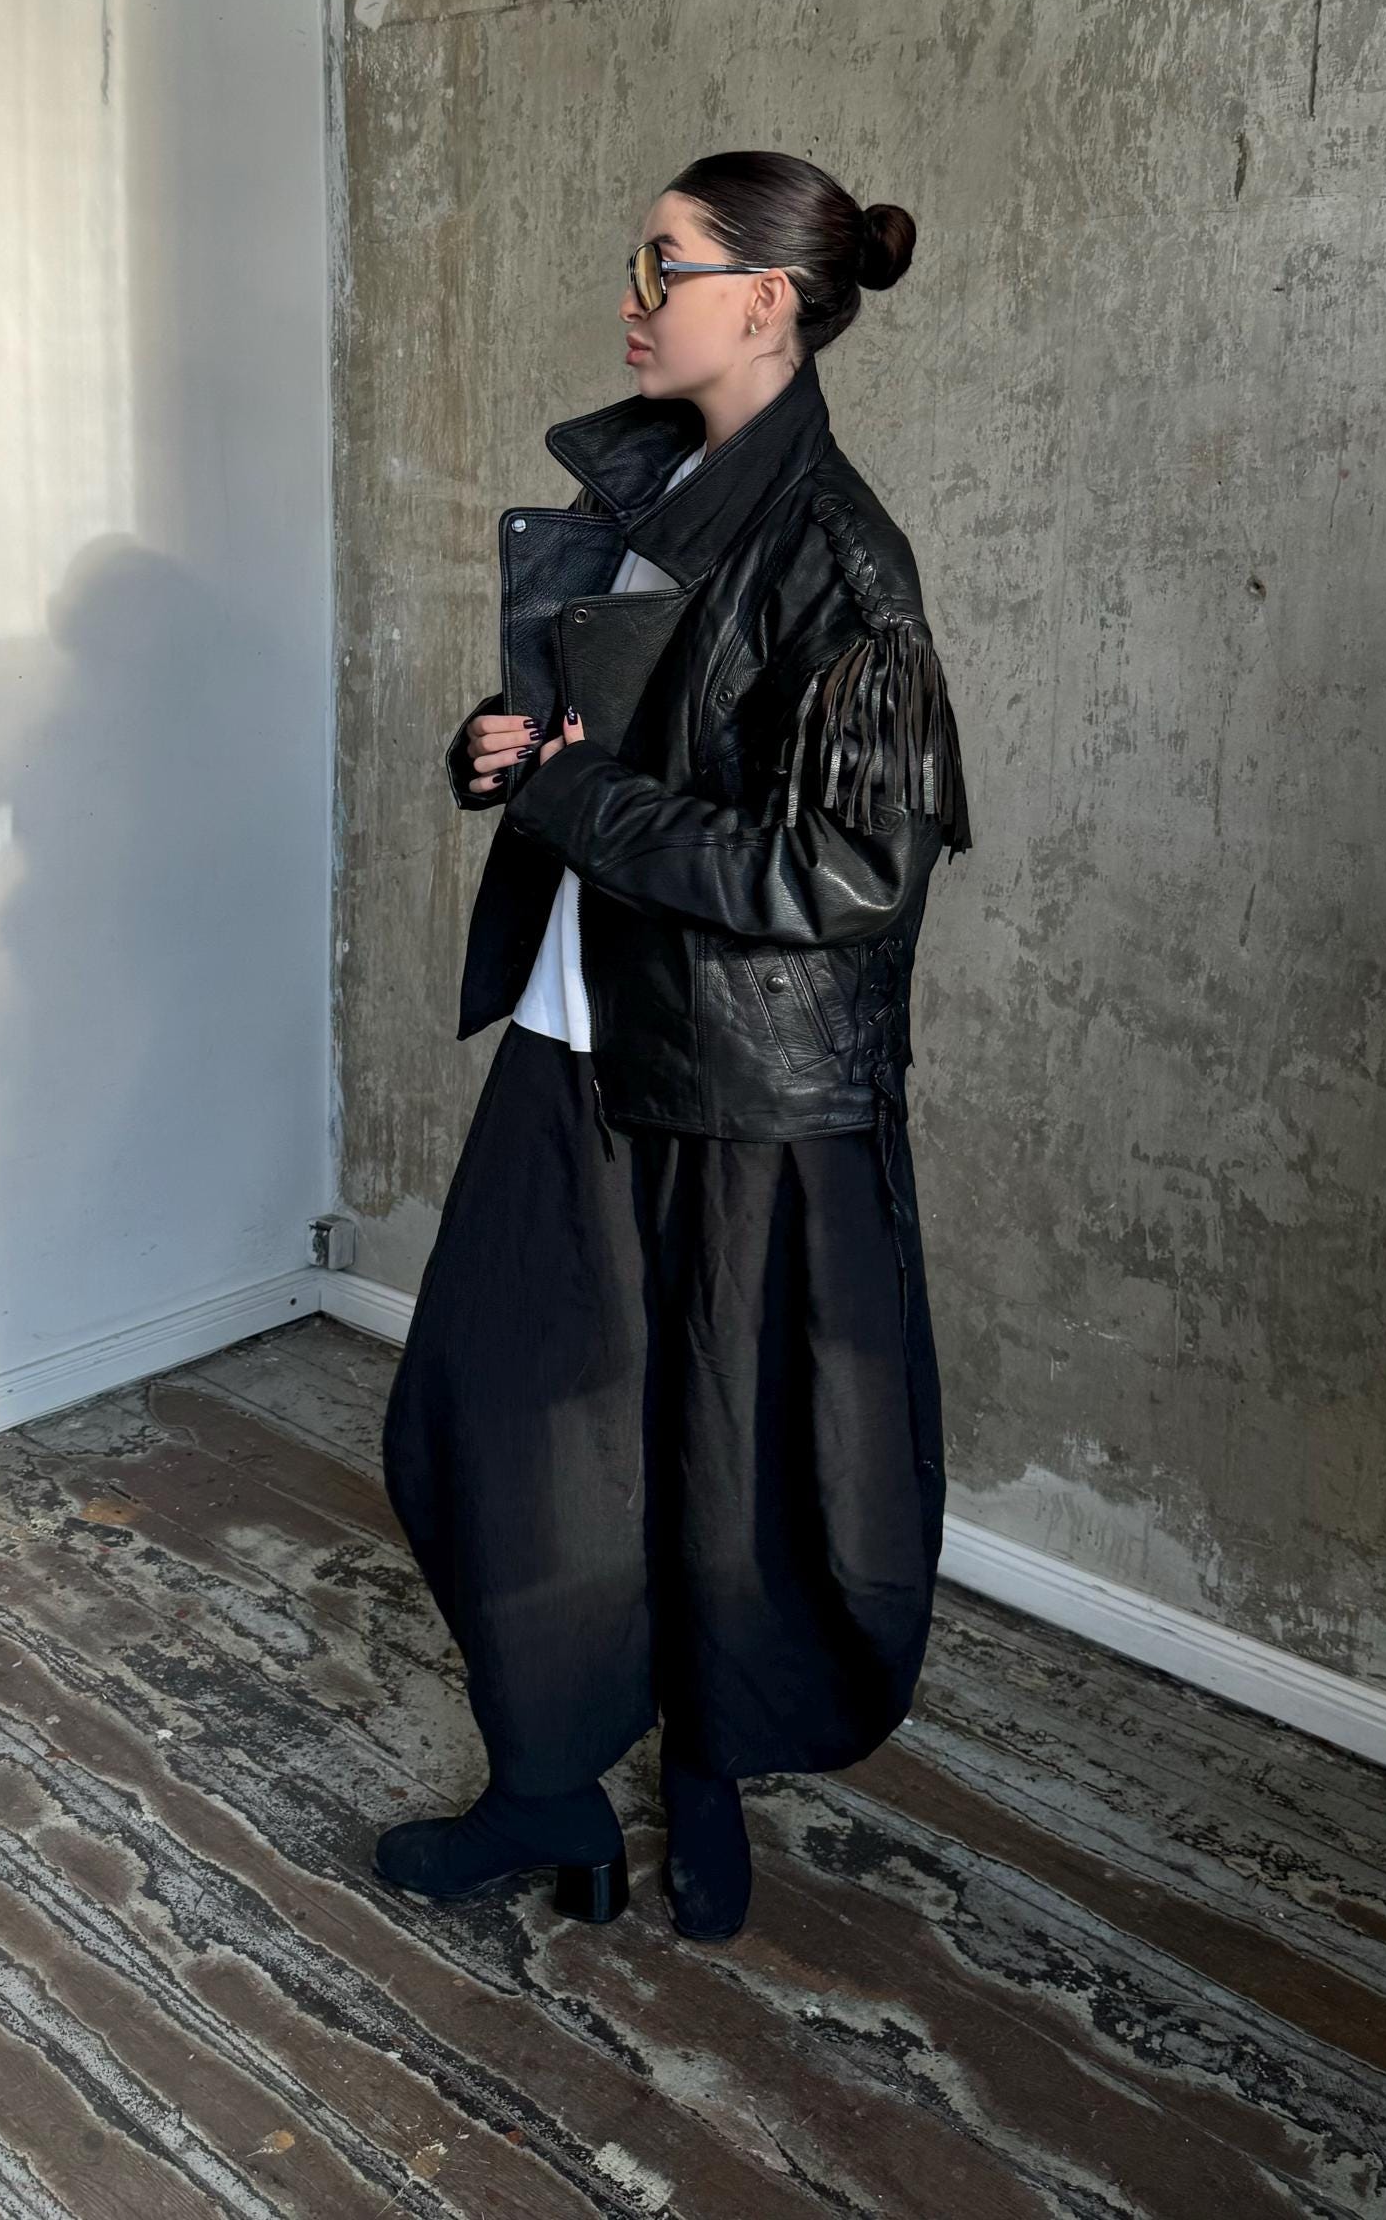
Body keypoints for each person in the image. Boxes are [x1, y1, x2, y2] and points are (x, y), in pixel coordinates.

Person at [378, 148, 973, 1940]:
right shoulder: (657, 483)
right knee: (494, 1418)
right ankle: (553, 1791)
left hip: (741, 1089)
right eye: (634, 258)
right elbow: (608, 736)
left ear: (768, 301)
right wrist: (509, 746)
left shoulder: (845, 563)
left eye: (666, 263)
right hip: (580, 1031)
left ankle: (698, 1767)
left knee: (720, 1458)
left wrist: (578, 801)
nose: (631, 295)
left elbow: (848, 874)